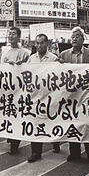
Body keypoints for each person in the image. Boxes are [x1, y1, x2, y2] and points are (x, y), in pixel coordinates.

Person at [58, 26, 89, 163]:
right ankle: (74, 152)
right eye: (72, 37)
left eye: (77, 36)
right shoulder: (64, 55)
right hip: (70, 97)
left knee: (86, 124)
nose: (74, 39)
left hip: (86, 95)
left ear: (82, 39)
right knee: (72, 123)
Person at [26, 34, 61, 162]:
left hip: (50, 96)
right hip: (35, 97)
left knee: (51, 122)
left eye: (42, 43)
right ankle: (36, 152)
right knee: (36, 123)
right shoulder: (31, 59)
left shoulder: (53, 59)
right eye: (37, 43)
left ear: (47, 44)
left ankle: (55, 142)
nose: (39, 46)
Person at [0, 27, 32, 155]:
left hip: (19, 89)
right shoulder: (5, 51)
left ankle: (15, 144)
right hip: (7, 88)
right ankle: (11, 138)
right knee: (8, 114)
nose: (11, 36)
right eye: (9, 34)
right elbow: (1, 68)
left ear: (19, 37)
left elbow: (29, 69)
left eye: (13, 34)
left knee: (17, 115)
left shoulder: (25, 53)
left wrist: (20, 66)